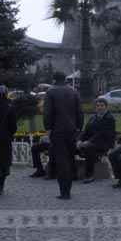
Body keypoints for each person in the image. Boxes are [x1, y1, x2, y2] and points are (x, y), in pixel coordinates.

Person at [42, 71, 84, 200]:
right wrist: (78, 128)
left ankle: (64, 191)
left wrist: (48, 128)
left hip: (57, 131)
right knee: (70, 159)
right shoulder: (73, 92)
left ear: (54, 80)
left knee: (61, 161)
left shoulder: (51, 92)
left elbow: (47, 113)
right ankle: (69, 188)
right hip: (71, 131)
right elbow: (80, 113)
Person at [76, 97, 116, 183]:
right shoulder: (93, 118)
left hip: (103, 144)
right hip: (92, 142)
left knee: (88, 148)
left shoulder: (110, 119)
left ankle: (90, 175)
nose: (100, 108)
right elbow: (85, 131)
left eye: (102, 105)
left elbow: (103, 134)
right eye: (98, 106)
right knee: (72, 146)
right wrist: (79, 140)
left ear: (106, 107)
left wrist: (89, 141)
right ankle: (72, 173)